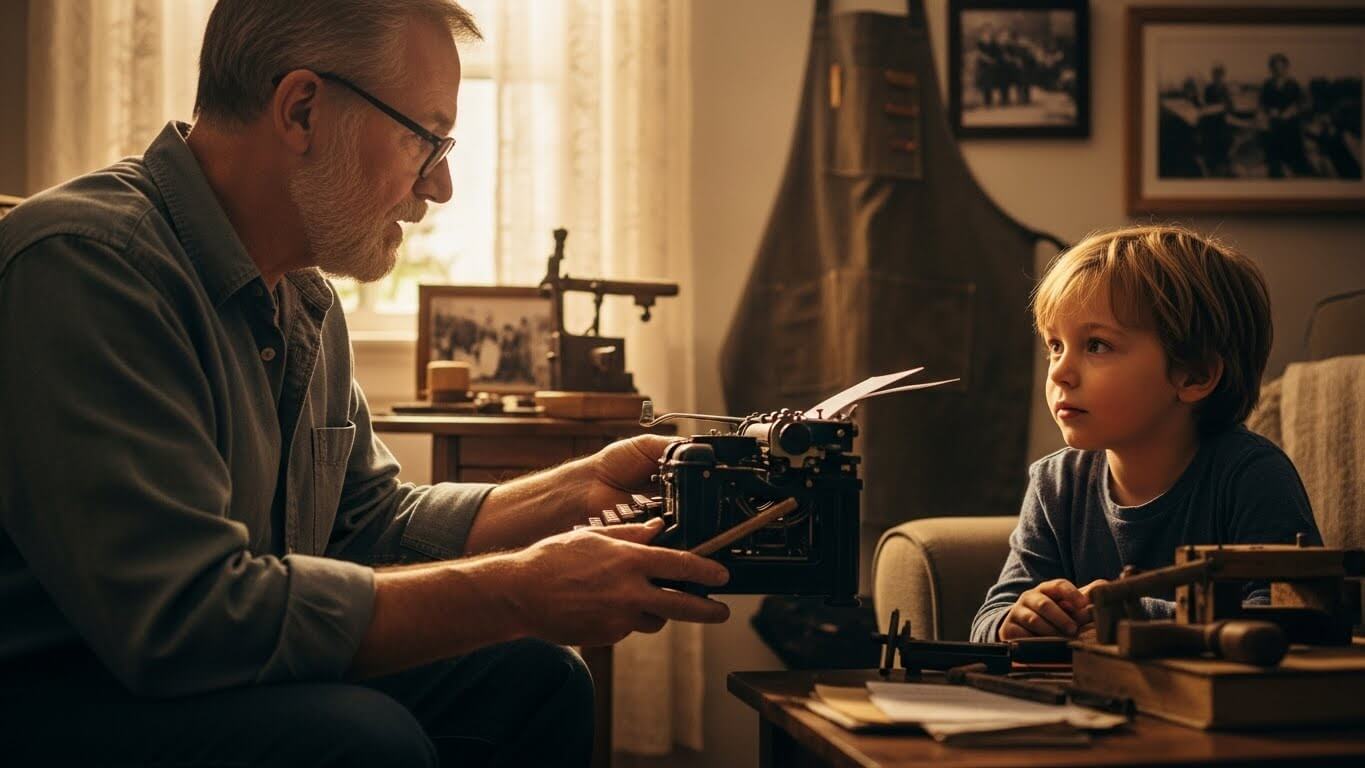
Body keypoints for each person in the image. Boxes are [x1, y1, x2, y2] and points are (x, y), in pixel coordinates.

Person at [0, 1, 730, 765]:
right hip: (66, 691)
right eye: (426, 138)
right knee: (362, 743)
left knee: (540, 680)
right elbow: (183, 621)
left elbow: (365, 521)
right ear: (304, 109)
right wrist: (520, 591)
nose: (440, 185)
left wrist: (570, 495)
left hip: (189, 672)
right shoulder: (87, 266)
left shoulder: (301, 297)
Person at [970, 225, 1321, 644]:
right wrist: (1019, 619)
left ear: (1195, 374)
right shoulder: (1056, 484)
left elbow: (1298, 617)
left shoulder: (1251, 475)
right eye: (1055, 346)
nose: (1059, 372)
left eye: (1097, 345)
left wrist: (1135, 613)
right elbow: (990, 619)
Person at [1259, 53, 1313, 178]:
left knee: (1296, 160)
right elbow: (1262, 104)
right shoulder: (1267, 85)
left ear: (1286, 68)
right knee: (1275, 162)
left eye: (1281, 68)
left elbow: (1304, 103)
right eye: (1275, 68)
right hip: (1274, 126)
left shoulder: (1294, 85)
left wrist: (1292, 111)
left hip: (1291, 126)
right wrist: (1269, 111)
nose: (1278, 71)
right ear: (1271, 69)